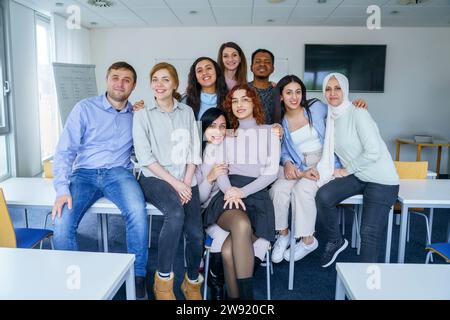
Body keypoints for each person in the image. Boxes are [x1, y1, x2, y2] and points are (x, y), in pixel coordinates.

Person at [51, 61, 149, 299]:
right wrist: (62, 188)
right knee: (62, 221)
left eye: (127, 80)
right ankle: (72, 282)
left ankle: (138, 275)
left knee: (137, 211)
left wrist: (145, 118)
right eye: (115, 77)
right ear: (107, 80)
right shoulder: (84, 108)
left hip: (118, 173)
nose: (120, 83)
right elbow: (65, 151)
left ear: (133, 86)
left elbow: (147, 148)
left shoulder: (138, 115)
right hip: (84, 173)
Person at [270, 75, 369, 264]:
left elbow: (340, 110)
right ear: (281, 96)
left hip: (324, 161)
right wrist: (288, 162)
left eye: (298, 92)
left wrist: (357, 105)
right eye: (289, 92)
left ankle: (308, 240)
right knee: (278, 190)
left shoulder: (315, 107)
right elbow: (283, 151)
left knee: (302, 190)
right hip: (299, 165)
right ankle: (283, 234)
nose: (294, 97)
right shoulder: (280, 121)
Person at [133, 62, 203, 300]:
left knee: (196, 233)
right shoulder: (141, 114)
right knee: (175, 215)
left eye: (165, 79)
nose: (159, 84)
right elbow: (145, 158)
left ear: (175, 84)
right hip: (155, 178)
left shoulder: (188, 112)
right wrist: (177, 184)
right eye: (155, 79)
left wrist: (186, 180)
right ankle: (163, 283)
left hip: (186, 177)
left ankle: (191, 283)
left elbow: (194, 150)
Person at [203, 84, 280, 300]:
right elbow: (221, 171)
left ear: (254, 102)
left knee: (228, 252)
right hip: (228, 196)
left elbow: (271, 173)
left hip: (256, 195)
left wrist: (242, 192)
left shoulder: (270, 132)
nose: (239, 104)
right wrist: (230, 191)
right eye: (235, 101)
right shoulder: (226, 134)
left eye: (245, 99)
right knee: (241, 224)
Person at [315, 73, 399, 268]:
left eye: (337, 88)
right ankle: (335, 240)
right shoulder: (331, 117)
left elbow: (373, 152)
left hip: (381, 180)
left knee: (368, 233)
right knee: (323, 196)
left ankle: (366, 289)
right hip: (359, 176)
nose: (332, 93)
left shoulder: (358, 112)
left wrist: (346, 170)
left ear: (345, 90)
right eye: (328, 89)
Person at [248, 48, 281, 124]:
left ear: (272, 69)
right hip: (246, 135)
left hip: (272, 135)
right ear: (251, 67)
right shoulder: (242, 90)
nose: (262, 64)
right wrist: (230, 136)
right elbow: (231, 118)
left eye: (267, 62)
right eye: (257, 61)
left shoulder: (279, 92)